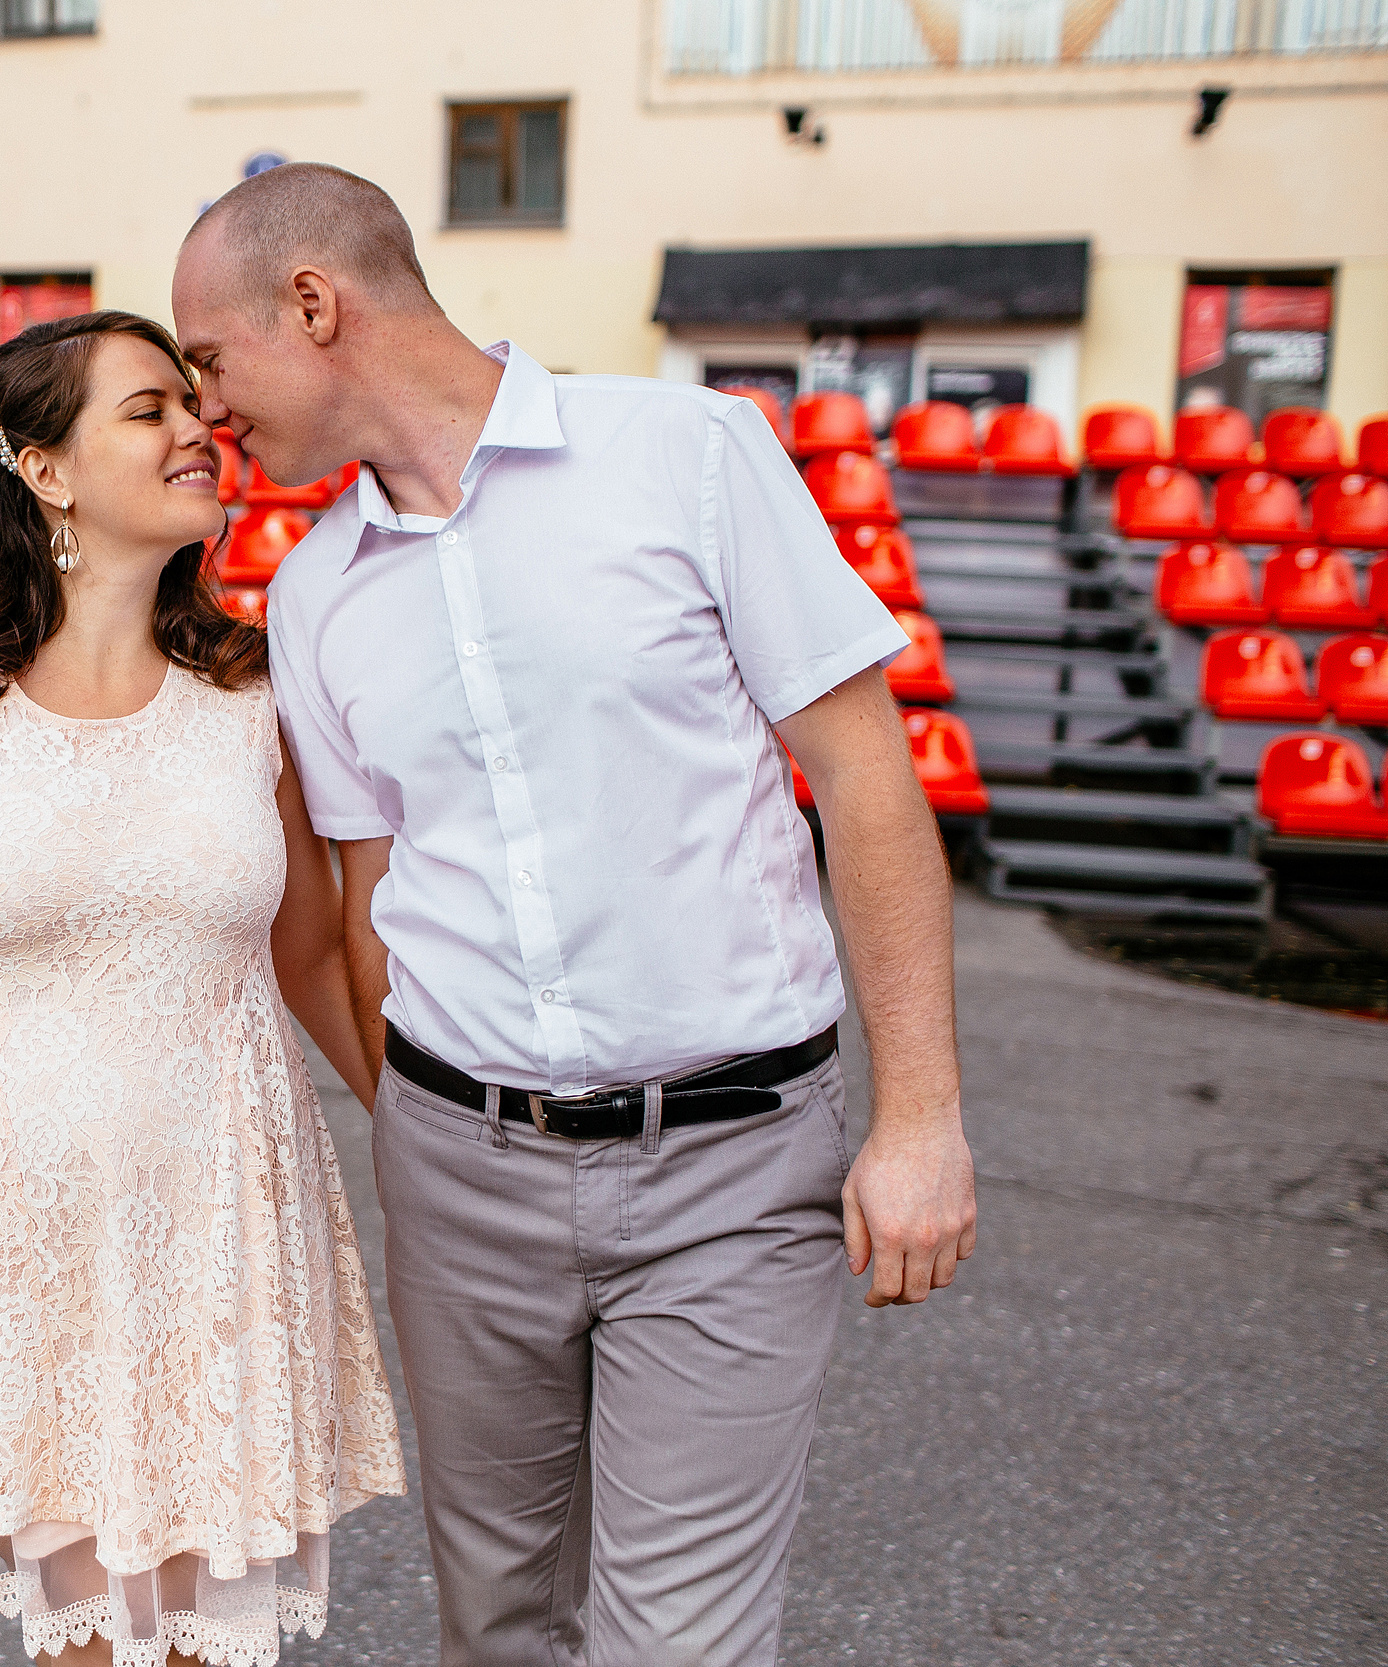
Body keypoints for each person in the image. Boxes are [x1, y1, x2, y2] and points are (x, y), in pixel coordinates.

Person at [171, 164, 978, 1666]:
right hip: (462, 1177)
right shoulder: (314, 595)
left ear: (313, 303)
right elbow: (364, 907)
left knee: (674, 1643)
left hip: (733, 1165)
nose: (206, 411)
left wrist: (920, 1114)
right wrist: (427, 1131)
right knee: (502, 1628)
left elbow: (869, 783)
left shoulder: (687, 452)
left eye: (210, 362)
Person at [0, 310, 406, 1667]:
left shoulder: (250, 696)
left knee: (204, 1641)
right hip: (9, 1244)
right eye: (147, 411)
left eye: (195, 404)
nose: (199, 431)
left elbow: (309, 952)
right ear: (46, 470)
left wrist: (428, 1139)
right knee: (76, 1644)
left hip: (220, 1227)